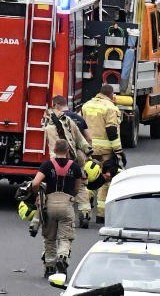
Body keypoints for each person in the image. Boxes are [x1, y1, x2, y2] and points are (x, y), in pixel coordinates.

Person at [32, 139, 82, 278]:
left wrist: (39, 193)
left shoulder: (47, 165)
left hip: (49, 205)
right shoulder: (75, 166)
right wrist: (71, 196)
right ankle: (62, 257)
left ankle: (49, 268)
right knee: (65, 237)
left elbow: (36, 183)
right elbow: (77, 187)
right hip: (66, 205)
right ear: (67, 151)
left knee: (49, 238)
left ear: (54, 149)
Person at [44, 96, 94, 228]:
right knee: (81, 185)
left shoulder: (49, 127)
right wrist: (87, 153)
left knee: (58, 187)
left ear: (55, 106)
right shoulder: (73, 120)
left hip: (58, 161)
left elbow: (50, 147)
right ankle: (84, 214)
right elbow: (83, 140)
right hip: (77, 158)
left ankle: (57, 215)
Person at [81, 84, 125, 224]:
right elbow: (112, 131)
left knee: (89, 179)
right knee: (105, 180)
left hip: (88, 149)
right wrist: (118, 151)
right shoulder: (111, 108)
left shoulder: (86, 105)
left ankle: (85, 212)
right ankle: (101, 215)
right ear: (111, 95)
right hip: (105, 151)